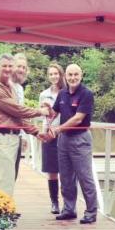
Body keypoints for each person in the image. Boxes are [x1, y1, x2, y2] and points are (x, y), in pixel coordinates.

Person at [0, 53, 50, 197]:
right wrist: (40, 112)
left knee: (2, 180)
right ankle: (3, 217)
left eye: (10, 66)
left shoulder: (10, 87)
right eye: (4, 66)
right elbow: (17, 109)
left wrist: (36, 132)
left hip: (12, 138)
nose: (7, 69)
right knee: (5, 181)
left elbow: (17, 117)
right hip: (2, 139)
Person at [49, 64, 99, 224]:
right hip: (63, 140)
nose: (73, 78)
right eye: (70, 75)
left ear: (81, 75)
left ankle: (91, 212)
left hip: (80, 138)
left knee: (85, 177)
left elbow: (78, 118)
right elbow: (54, 112)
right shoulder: (62, 93)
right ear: (65, 77)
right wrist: (45, 114)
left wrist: (58, 129)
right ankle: (69, 209)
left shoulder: (86, 94)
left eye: (76, 74)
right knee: (65, 177)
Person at [39, 63, 65, 214]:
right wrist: (42, 134)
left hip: (63, 134)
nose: (54, 76)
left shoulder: (67, 92)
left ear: (61, 74)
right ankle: (54, 202)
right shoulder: (44, 94)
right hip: (49, 133)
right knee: (51, 170)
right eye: (51, 74)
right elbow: (43, 116)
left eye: (56, 73)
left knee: (65, 170)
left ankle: (67, 202)